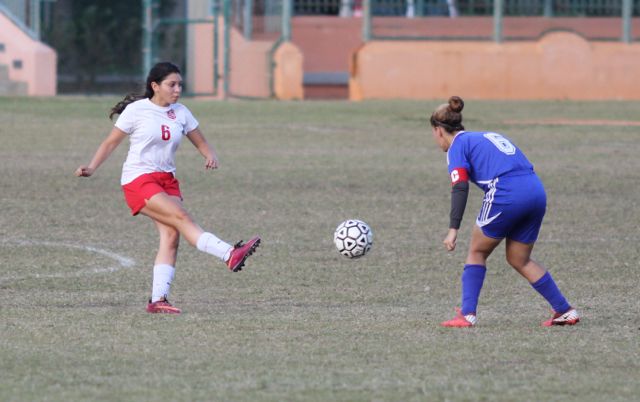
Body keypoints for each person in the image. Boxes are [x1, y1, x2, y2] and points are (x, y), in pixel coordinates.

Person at [75, 61, 260, 314]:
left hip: (167, 180)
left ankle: (158, 300)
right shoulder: (137, 110)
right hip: (138, 179)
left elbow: (200, 140)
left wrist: (209, 154)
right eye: (171, 85)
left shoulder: (181, 112)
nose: (177, 90)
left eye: (179, 85)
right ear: (155, 86)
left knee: (172, 236)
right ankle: (229, 254)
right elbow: (110, 143)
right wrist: (92, 167)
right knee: (182, 218)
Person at [430, 96, 579, 327]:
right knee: (519, 258)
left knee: (477, 252)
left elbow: (459, 186)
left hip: (507, 192)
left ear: (439, 130)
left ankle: (467, 314)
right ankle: (564, 311)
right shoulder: (486, 136)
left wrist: (453, 229)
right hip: (535, 190)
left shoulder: (457, 146)